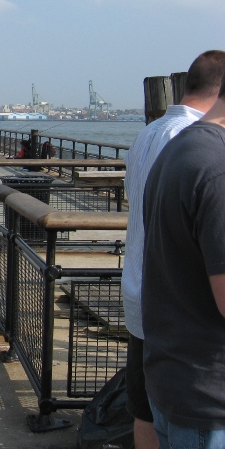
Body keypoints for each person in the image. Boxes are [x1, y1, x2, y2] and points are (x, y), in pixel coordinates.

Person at [122, 50, 225, 449]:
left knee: (144, 410)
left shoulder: (162, 139)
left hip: (155, 312)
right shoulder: (211, 160)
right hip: (203, 377)